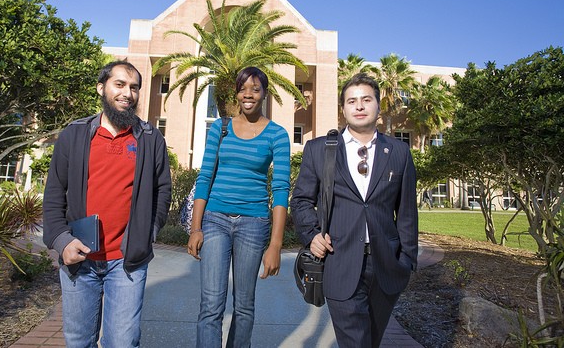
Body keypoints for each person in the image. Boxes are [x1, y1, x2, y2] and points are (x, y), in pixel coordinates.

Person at [42, 60, 171, 348]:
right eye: (120, 84)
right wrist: (63, 242)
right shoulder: (74, 135)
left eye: (134, 87)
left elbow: (163, 190)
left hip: (127, 263)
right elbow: (53, 195)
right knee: (78, 342)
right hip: (80, 259)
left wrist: (148, 232)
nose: (128, 93)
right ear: (102, 88)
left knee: (123, 342)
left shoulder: (150, 138)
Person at [291, 73, 418, 348]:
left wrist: (406, 262)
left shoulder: (399, 152)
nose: (359, 106)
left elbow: (407, 212)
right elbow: (301, 200)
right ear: (343, 108)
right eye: (352, 101)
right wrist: (311, 234)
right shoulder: (319, 149)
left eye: (366, 99)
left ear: (378, 106)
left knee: (371, 341)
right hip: (340, 262)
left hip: (387, 266)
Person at [187, 66, 290, 348]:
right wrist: (196, 228)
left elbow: (280, 190)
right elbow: (205, 176)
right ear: (236, 92)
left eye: (255, 89)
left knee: (244, 307)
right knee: (211, 304)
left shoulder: (277, 135)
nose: (249, 94)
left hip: (254, 225)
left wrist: (275, 245)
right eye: (244, 88)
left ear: (264, 94)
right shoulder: (220, 128)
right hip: (215, 220)